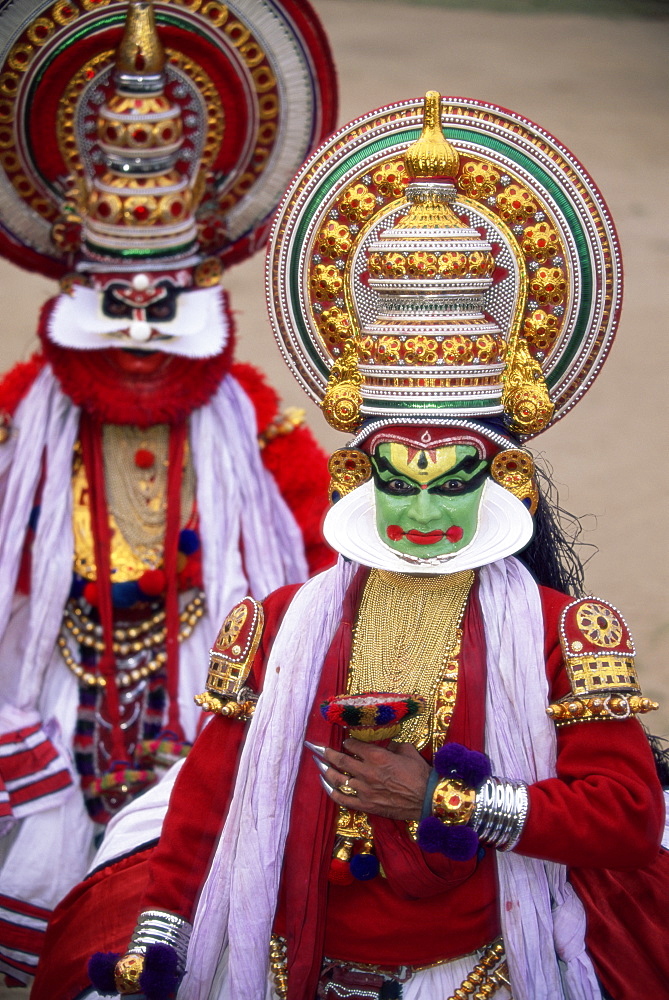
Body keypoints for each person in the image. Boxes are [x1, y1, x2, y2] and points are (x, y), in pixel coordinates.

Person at [51, 91, 669, 1000]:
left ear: (507, 486)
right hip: (290, 963)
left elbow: (623, 818)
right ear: (355, 482)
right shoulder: (271, 627)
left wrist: (441, 802)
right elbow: (206, 805)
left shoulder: (564, 633)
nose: (420, 512)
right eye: (397, 481)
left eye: (452, 479)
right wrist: (156, 939)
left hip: (480, 970)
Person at [0, 0, 337, 985]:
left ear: (201, 289)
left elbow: (320, 579)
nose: (141, 333)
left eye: (165, 306)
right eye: (116, 305)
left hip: (206, 713)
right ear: (74, 289)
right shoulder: (22, 421)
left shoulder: (255, 423)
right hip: (41, 714)